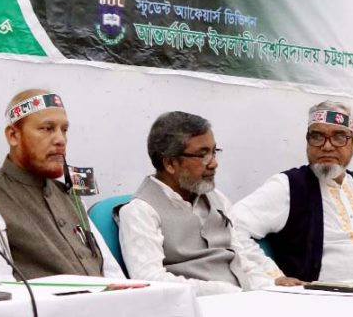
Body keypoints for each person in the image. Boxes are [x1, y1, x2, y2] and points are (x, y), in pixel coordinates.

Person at [118, 112, 303, 296]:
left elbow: (240, 260)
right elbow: (150, 280)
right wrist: (222, 290)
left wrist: (271, 284)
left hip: (244, 300)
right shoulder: (140, 211)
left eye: (214, 152)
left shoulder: (217, 199)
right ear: (170, 163)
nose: (214, 164)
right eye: (203, 155)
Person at [0, 89, 125, 283]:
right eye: (47, 128)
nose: (60, 139)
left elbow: (112, 274)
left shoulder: (72, 198)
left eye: (64, 130)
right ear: (13, 135)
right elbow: (1, 291)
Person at [231, 101, 353, 282]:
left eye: (339, 137)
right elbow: (232, 227)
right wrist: (272, 277)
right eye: (317, 136)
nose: (327, 146)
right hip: (327, 299)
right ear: (307, 140)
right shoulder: (289, 186)